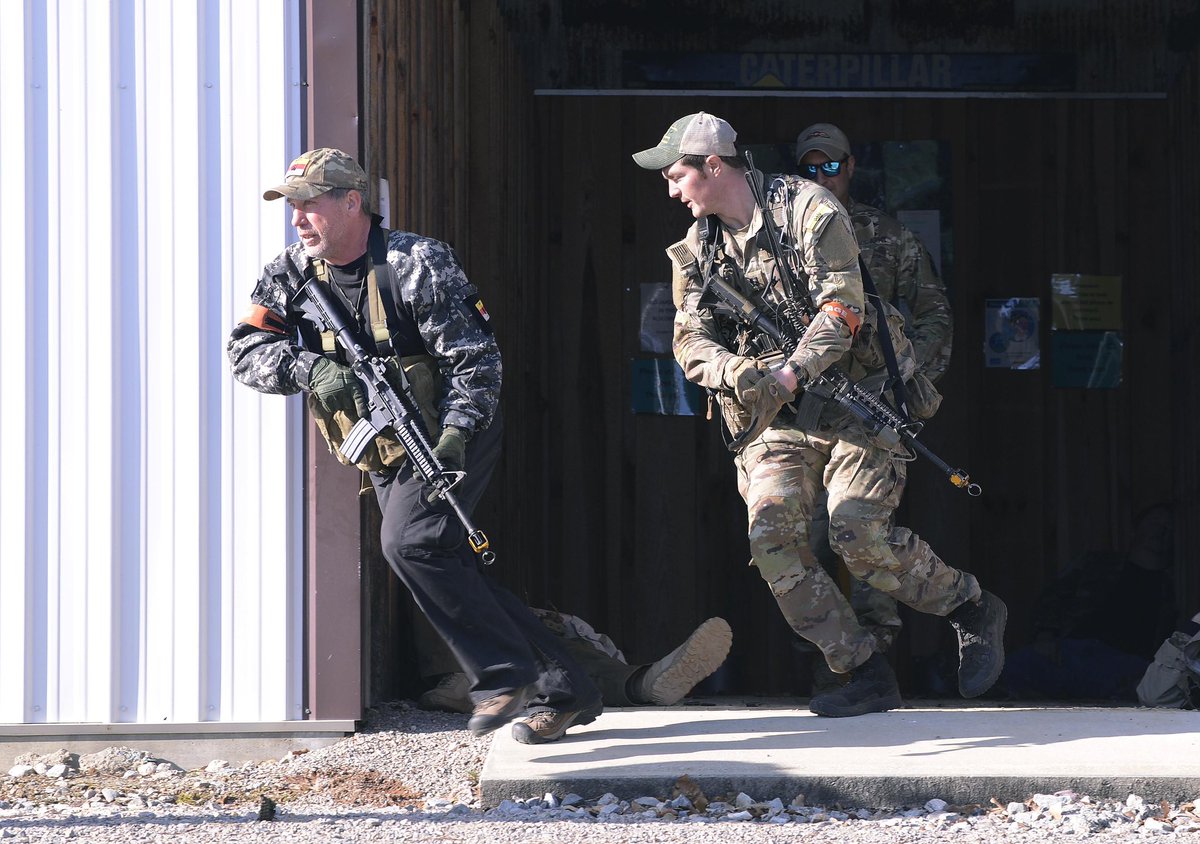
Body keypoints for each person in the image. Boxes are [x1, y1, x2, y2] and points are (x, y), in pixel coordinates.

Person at [632, 112, 1006, 716]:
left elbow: (843, 309)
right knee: (772, 539)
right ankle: (861, 668)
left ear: (715, 166)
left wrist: (795, 370)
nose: (672, 191)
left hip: (859, 398)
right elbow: (689, 340)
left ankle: (969, 604)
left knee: (856, 531)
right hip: (772, 414)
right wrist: (742, 374)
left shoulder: (810, 212)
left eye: (678, 176)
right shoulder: (694, 250)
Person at [227, 148, 602, 744]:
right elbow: (242, 351)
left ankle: (504, 675)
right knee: (440, 554)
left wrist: (454, 439)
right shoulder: (289, 274)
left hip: (453, 427)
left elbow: (476, 362)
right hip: (380, 440)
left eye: (309, 204)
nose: (297, 218)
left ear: (353, 203)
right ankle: (566, 687)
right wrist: (307, 369)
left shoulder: (417, 262)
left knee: (411, 543)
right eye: (291, 207)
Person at [794, 122, 955, 685]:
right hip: (804, 409)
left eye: (830, 167)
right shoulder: (783, 241)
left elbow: (934, 312)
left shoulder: (885, 237)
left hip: (869, 410)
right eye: (809, 169)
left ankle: (875, 661)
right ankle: (832, 660)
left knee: (859, 528)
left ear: (851, 167)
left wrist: (910, 384)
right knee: (799, 538)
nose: (820, 178)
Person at [418, 613, 733, 712]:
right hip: (474, 650)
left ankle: (644, 682)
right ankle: (469, 684)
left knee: (563, 654)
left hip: (514, 638)